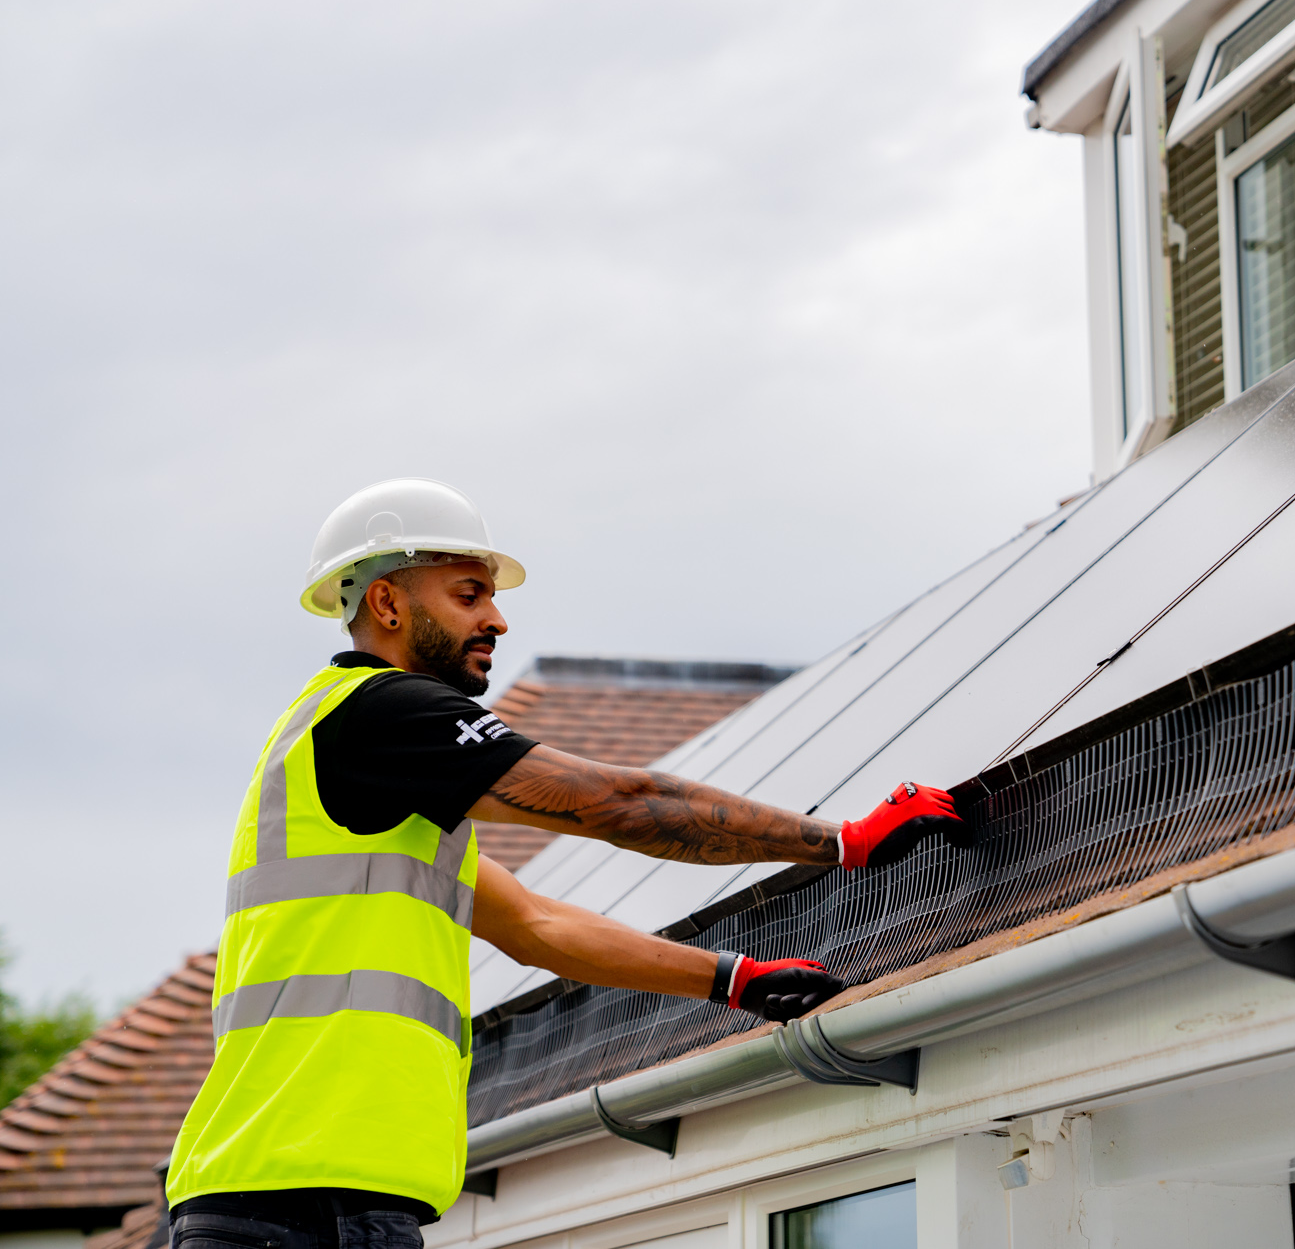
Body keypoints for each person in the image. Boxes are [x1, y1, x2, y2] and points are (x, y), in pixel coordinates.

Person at [165, 478, 961, 1249]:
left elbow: (535, 924)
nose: (499, 621)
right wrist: (843, 842)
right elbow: (615, 801)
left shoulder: (351, 766)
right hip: (304, 1204)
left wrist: (732, 977)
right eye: (469, 594)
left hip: (280, 1191)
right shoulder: (379, 713)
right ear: (387, 602)